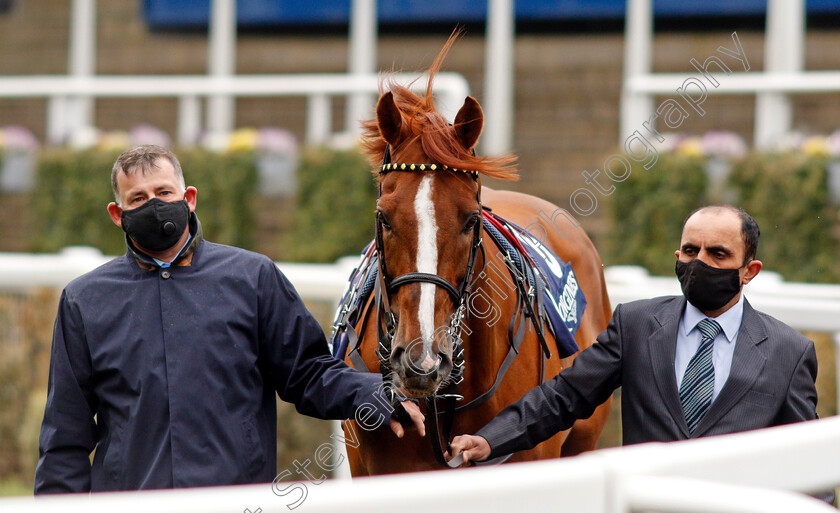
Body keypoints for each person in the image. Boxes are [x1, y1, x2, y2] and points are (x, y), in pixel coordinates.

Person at [35, 145, 423, 494]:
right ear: (118, 215)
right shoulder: (84, 300)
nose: (153, 204)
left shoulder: (253, 278)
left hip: (237, 501)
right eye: (138, 197)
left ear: (188, 198)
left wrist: (376, 392)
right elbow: (65, 436)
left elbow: (307, 373)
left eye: (163, 192)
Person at [451, 205, 822, 462]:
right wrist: (489, 439)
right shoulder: (637, 324)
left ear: (749, 270)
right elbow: (565, 396)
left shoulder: (789, 352)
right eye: (691, 251)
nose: (700, 263)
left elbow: (805, 460)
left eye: (718, 254)